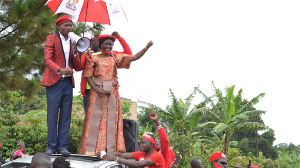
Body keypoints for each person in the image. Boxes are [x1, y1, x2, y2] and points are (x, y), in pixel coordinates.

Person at [79, 34, 153, 155]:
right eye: (106, 44)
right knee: (95, 119)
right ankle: (91, 150)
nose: (108, 46)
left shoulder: (114, 57)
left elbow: (133, 57)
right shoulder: (93, 57)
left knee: (111, 119)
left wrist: (146, 47)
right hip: (97, 92)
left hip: (112, 92)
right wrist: (96, 89)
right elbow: (87, 76)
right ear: (101, 44)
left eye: (110, 44)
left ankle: (110, 150)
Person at [41, 15, 81, 155]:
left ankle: (62, 147)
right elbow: (47, 60)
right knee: (52, 115)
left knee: (66, 115)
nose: (69, 28)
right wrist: (60, 70)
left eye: (70, 25)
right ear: (58, 26)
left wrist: (76, 52)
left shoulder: (72, 41)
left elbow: (77, 66)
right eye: (66, 25)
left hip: (68, 83)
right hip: (54, 82)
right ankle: (52, 147)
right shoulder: (51, 38)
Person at [80, 31, 132, 112]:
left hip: (105, 90)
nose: (90, 43)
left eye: (93, 41)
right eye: (90, 41)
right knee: (90, 119)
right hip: (89, 90)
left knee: (104, 118)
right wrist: (78, 52)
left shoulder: (111, 54)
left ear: (100, 42)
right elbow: (78, 67)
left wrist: (119, 38)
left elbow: (128, 54)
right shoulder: (88, 55)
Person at [99, 133, 165, 168]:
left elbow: (137, 164)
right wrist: (105, 155)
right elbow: (121, 155)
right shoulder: (141, 154)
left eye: (143, 143)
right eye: (140, 143)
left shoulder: (157, 156)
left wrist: (115, 158)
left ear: (151, 144)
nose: (141, 145)